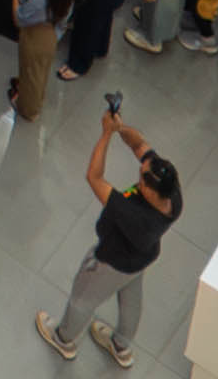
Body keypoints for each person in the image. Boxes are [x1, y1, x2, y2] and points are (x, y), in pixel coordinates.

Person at [33, 110, 180, 366]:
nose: (138, 173)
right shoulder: (172, 197)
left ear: (147, 187)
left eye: (140, 178)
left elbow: (94, 177)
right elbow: (140, 144)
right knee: (131, 299)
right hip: (140, 260)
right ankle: (121, 346)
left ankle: (64, 339)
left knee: (83, 298)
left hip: (111, 261)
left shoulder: (136, 217)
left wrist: (106, 134)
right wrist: (120, 128)